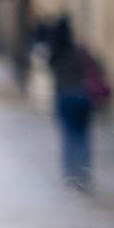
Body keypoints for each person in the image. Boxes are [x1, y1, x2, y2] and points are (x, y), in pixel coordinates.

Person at [39, 14, 95, 190]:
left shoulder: (54, 53)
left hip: (64, 96)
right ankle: (84, 170)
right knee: (82, 135)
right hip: (81, 95)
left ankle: (71, 172)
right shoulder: (78, 51)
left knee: (69, 135)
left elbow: (48, 68)